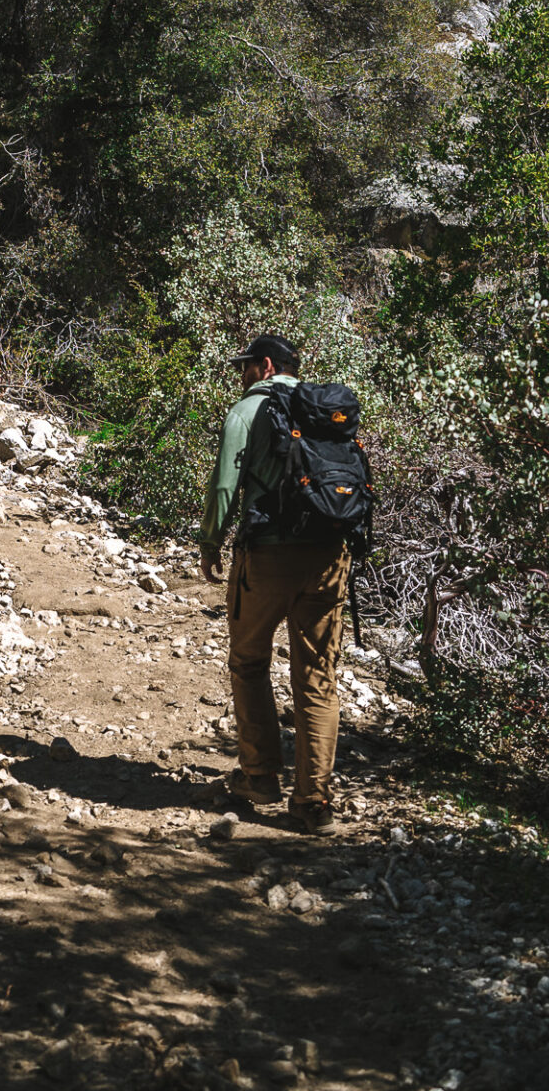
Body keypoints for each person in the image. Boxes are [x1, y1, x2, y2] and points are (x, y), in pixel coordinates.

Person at [198, 331, 348, 836]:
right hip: (330, 557)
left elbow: (225, 486)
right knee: (318, 679)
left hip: (268, 556)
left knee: (248, 661)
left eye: (245, 366)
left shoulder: (248, 411)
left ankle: (260, 776)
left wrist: (210, 541)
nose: (241, 375)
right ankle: (314, 803)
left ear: (265, 366)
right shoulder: (326, 411)